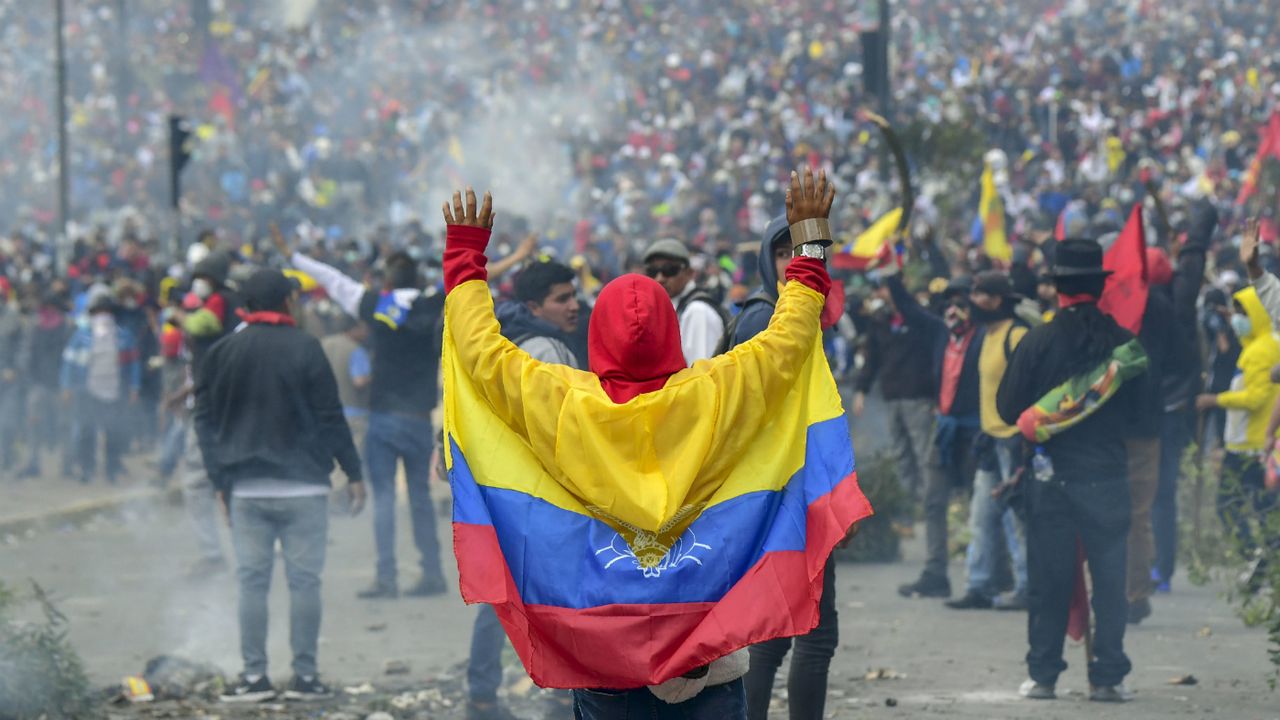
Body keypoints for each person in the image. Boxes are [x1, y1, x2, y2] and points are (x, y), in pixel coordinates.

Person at [441, 173, 866, 719]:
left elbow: (481, 352)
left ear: (597, 335)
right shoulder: (715, 392)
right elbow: (791, 335)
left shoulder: (563, 401)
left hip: (602, 654)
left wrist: (465, 255)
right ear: (672, 329)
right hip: (705, 654)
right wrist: (809, 242)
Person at [194, 269, 366, 703]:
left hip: (246, 488)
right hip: (305, 487)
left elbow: (205, 421)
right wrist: (353, 473)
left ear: (245, 308)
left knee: (252, 582)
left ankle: (254, 678)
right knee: (304, 582)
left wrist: (219, 480)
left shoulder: (221, 352)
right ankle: (305, 678)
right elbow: (330, 416)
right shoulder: (306, 348)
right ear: (288, 302)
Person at [997, 239, 1148, 703]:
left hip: (1050, 478)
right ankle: (1107, 676)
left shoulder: (1038, 339)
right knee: (1108, 580)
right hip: (1108, 477)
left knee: (1049, 580)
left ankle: (1043, 675)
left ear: (1057, 287)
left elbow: (1007, 409)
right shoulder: (1126, 345)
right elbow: (1145, 418)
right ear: (1098, 287)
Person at [282, 235, 448, 600]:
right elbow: (468, 277)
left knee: (384, 499)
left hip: (384, 418)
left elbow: (332, 280)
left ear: (387, 283)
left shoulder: (375, 304)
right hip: (419, 419)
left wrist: (293, 255)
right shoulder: (434, 303)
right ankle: (433, 573)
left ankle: (385, 578)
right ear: (419, 281)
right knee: (419, 497)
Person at [468, 259, 581, 720]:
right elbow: (559, 434)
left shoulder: (504, 343)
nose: (574, 305)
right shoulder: (547, 353)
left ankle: (483, 692)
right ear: (535, 305)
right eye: (562, 299)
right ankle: (558, 689)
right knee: (548, 595)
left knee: (506, 593)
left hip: (509, 491)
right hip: (542, 497)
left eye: (573, 295)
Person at [893, 272, 984, 601]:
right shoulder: (940, 334)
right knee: (934, 502)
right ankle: (935, 573)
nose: (954, 309)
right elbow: (909, 309)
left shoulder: (985, 337)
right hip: (944, 430)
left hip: (976, 432)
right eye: (949, 302)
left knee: (983, 504)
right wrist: (891, 276)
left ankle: (989, 577)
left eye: (961, 302)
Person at [946, 271, 1029, 611]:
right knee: (981, 515)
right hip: (990, 438)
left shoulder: (1017, 335)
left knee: (1014, 519)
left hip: (1012, 439)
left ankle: (1027, 586)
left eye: (980, 294)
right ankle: (978, 586)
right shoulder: (985, 335)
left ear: (997, 300)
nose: (972, 301)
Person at [1194, 283, 1280, 591]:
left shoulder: (1260, 351)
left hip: (1251, 445)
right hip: (1254, 442)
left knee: (1231, 505)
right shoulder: (1262, 343)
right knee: (1263, 509)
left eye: (1243, 313)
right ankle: (1265, 562)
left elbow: (1256, 398)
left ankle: (1260, 558)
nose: (1236, 319)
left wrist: (1216, 400)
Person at [853, 269, 937, 507]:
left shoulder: (919, 317)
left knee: (922, 452)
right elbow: (872, 358)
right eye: (878, 288)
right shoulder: (879, 320)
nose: (880, 293)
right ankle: (907, 504)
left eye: (885, 287)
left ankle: (928, 502)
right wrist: (862, 390)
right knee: (901, 452)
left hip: (918, 395)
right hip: (892, 394)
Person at [60, 289, 141, 485]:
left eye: (107, 311)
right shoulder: (81, 336)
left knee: (113, 432)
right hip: (86, 390)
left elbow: (133, 364)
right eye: (99, 312)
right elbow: (69, 363)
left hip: (115, 390)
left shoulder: (124, 336)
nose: (103, 316)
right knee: (87, 431)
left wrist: (134, 387)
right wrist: (66, 387)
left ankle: (111, 470)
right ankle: (86, 469)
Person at [642, 238, 726, 364]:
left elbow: (703, 375)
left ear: (689, 273)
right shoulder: (674, 307)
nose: (660, 278)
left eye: (669, 270)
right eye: (652, 272)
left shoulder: (697, 312)